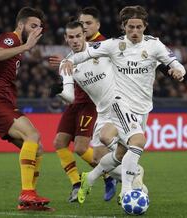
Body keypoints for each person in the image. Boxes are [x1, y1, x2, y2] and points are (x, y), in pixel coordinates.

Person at [61, 5, 186, 204]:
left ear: (145, 26)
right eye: (130, 27)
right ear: (123, 27)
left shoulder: (154, 45)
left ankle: (90, 178)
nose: (134, 32)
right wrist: (69, 62)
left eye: (138, 27)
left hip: (143, 108)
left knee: (120, 152)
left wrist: (178, 71)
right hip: (120, 104)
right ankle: (127, 191)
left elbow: (173, 62)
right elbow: (87, 52)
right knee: (137, 143)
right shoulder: (113, 45)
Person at [0, 7, 52, 211]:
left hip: (3, 101)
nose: (37, 30)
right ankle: (27, 193)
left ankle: (28, 200)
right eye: (33, 25)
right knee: (32, 134)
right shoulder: (11, 38)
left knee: (37, 148)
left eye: (39, 27)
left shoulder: (18, 46)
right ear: (21, 25)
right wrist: (26, 46)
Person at [48, 7, 117, 202]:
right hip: (75, 101)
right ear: (67, 38)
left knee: (80, 147)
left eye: (88, 24)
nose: (84, 28)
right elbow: (69, 84)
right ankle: (76, 184)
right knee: (59, 143)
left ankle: (108, 175)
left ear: (97, 25)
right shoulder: (71, 56)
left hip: (92, 103)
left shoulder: (103, 45)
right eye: (82, 24)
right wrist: (60, 88)